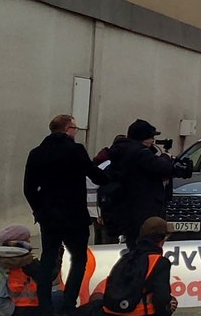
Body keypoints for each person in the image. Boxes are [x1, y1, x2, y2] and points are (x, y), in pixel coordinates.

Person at [23, 114, 108, 314]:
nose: (76, 132)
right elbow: (96, 175)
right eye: (75, 129)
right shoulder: (75, 150)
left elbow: (28, 188)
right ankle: (69, 303)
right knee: (79, 259)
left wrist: (39, 210)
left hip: (49, 217)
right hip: (74, 215)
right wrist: (113, 177)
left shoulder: (36, 153)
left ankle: (44, 305)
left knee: (48, 257)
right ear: (68, 129)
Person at [105, 119, 186, 247]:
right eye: (151, 137)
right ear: (143, 137)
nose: (153, 141)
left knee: (133, 243)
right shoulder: (140, 153)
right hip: (142, 209)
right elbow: (161, 167)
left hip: (126, 207)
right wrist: (166, 157)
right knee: (144, 244)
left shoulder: (121, 150)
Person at [101, 217, 177, 316]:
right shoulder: (160, 262)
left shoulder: (126, 258)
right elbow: (161, 298)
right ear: (162, 238)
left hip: (110, 311)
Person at [0, 225, 42, 316]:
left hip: (4, 308)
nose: (29, 241)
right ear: (19, 242)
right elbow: (49, 277)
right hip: (28, 308)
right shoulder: (27, 262)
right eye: (27, 239)